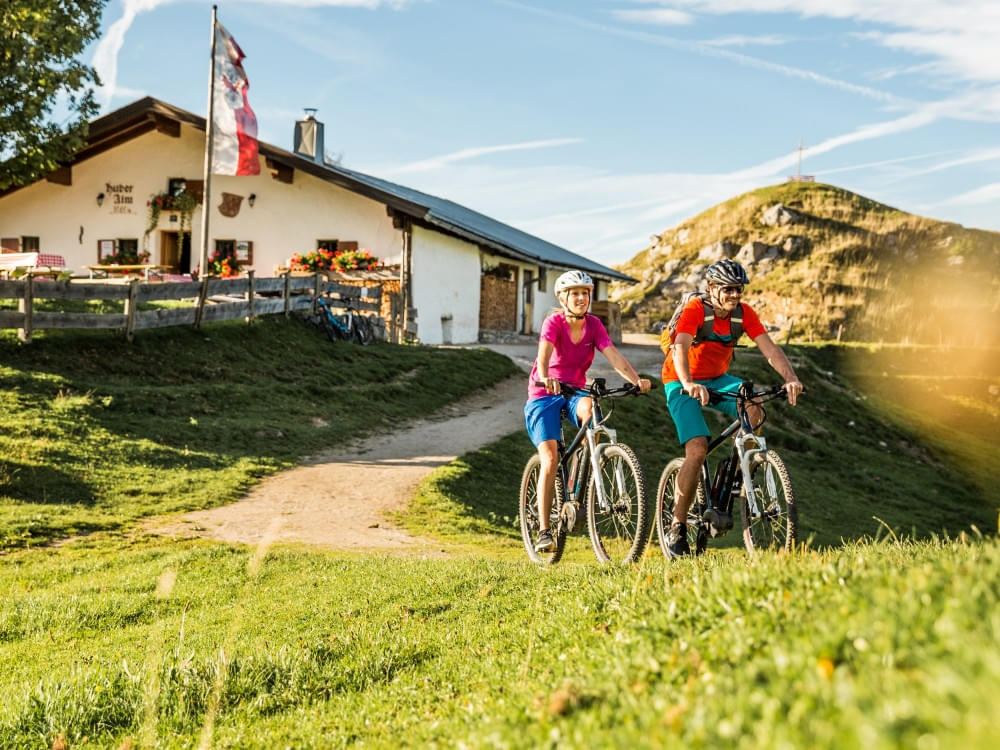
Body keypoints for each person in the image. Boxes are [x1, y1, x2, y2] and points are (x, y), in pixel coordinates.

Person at [660, 259, 803, 558]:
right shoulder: (696, 310)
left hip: (717, 379)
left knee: (754, 405)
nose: (734, 295)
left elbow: (770, 349)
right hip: (680, 380)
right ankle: (677, 524)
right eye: (727, 289)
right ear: (711, 289)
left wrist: (790, 378)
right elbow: (680, 347)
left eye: (737, 289)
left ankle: (738, 466)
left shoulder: (743, 314)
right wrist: (687, 383)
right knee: (697, 450)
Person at [525, 270, 652, 552]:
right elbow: (543, 355)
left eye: (586, 293)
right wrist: (545, 376)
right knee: (549, 457)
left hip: (574, 392)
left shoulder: (594, 325)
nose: (582, 298)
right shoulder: (553, 322)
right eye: (575, 294)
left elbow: (614, 356)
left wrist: (636, 381)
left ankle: (582, 471)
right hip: (544, 393)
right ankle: (545, 531)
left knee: (591, 409)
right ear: (563, 297)